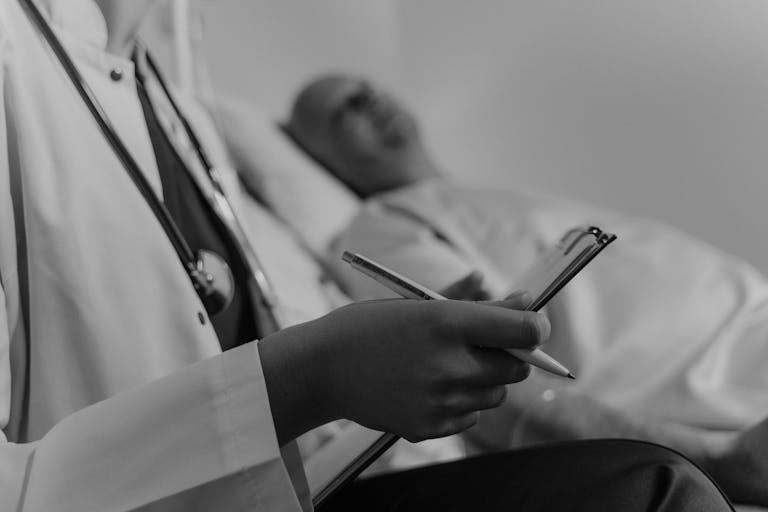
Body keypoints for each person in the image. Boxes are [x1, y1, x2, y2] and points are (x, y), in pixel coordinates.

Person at [0, 1, 738, 510]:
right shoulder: (21, 66)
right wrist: (314, 377)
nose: (372, 106)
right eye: (340, 111)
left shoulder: (167, 94)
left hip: (311, 481)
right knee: (648, 491)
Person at [284, 73, 768, 507]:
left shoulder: (495, 198)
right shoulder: (382, 224)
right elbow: (469, 375)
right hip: (734, 420)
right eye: (346, 108)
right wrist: (716, 459)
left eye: (369, 89)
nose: (372, 102)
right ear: (320, 158)